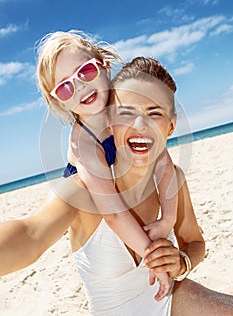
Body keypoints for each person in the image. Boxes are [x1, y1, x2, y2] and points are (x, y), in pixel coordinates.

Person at [1, 56, 233, 315]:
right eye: (127, 114)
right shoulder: (84, 189)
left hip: (171, 299)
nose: (140, 125)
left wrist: (181, 263)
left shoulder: (172, 179)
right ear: (110, 123)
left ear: (171, 126)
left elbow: (194, 242)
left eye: (154, 113)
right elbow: (30, 234)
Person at [36, 30, 178, 300]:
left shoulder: (125, 105)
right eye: (65, 87)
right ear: (58, 101)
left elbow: (163, 160)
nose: (80, 87)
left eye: (86, 72)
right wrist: (153, 258)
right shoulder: (83, 143)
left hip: (124, 195)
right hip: (96, 217)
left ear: (105, 66)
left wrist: (167, 219)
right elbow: (111, 213)